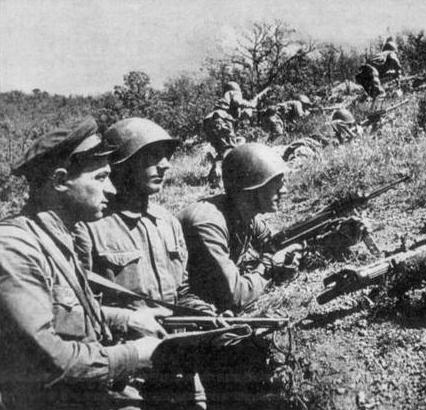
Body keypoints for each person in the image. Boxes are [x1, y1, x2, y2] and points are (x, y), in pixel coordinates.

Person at [0, 117, 168, 410]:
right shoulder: (15, 249)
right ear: (60, 181)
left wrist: (127, 319)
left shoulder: (58, 238)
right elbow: (48, 360)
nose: (111, 190)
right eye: (100, 178)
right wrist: (135, 354)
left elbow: (64, 311)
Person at [75, 117, 213, 409]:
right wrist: (128, 321)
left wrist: (204, 314)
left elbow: (181, 291)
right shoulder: (89, 227)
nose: (166, 165)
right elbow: (79, 310)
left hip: (178, 368)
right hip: (124, 377)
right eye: (153, 156)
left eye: (166, 156)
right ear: (122, 164)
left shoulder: (168, 222)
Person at [178, 143, 301, 313]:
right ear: (251, 189)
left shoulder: (243, 214)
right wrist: (269, 267)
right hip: (178, 304)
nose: (284, 190)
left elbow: (272, 243)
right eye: (276, 184)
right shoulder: (208, 224)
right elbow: (235, 297)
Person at [203, 81, 259, 188]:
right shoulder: (232, 93)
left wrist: (247, 109)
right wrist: (251, 104)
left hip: (210, 121)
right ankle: (218, 174)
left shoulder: (224, 100)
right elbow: (237, 101)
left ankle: (213, 176)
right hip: (221, 119)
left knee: (222, 151)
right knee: (229, 150)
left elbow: (239, 115)